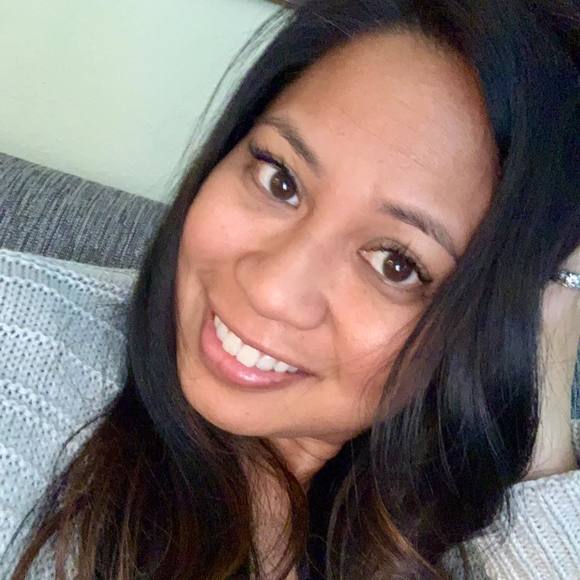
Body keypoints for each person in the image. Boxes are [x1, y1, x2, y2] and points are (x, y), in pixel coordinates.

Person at [1, 0, 579, 578]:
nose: (272, 291)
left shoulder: (443, 517)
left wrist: (544, 373)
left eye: (395, 264)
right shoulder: (21, 345)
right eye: (280, 180)